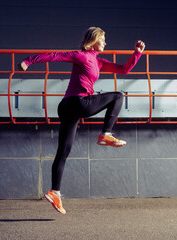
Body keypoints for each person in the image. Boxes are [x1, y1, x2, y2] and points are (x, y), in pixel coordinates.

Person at [19, 27, 145, 214]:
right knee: (118, 96)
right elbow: (55, 56)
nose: (105, 43)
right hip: (78, 102)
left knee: (63, 152)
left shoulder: (98, 61)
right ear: (93, 40)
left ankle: (55, 192)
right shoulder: (81, 55)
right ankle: (105, 134)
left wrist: (137, 54)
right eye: (103, 39)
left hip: (69, 108)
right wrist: (29, 61)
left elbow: (123, 70)